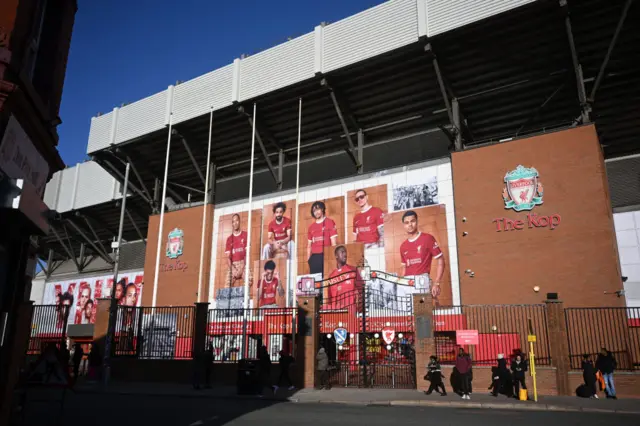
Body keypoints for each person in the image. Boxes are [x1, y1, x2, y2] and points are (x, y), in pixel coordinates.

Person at [399, 210, 445, 300]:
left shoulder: (428, 238)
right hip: (406, 284)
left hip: (422, 282)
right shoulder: (403, 246)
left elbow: (441, 260)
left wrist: (437, 283)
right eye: (406, 223)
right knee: (405, 313)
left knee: (422, 313)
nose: (410, 225)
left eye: (412, 221)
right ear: (404, 225)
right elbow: (404, 269)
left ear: (417, 222)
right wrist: (399, 282)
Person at [306, 201, 338, 275]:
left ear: (322, 209)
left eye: (318, 209)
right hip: (314, 258)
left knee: (327, 279)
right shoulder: (311, 227)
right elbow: (309, 245)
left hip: (326, 255)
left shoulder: (330, 222)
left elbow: (334, 243)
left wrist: (333, 258)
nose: (316, 212)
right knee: (316, 282)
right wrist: (309, 259)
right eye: (314, 211)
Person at [327, 245, 362, 310]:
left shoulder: (353, 270)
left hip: (350, 311)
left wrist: (360, 310)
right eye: (342, 252)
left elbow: (361, 290)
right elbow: (329, 298)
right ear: (336, 256)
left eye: (345, 252)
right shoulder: (331, 276)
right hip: (336, 313)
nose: (345, 254)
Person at [225, 214, 248, 287]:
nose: (235, 223)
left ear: (239, 221)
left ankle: (244, 297)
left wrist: (242, 267)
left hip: (243, 263)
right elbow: (228, 258)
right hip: (233, 265)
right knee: (227, 286)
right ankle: (232, 298)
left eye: (236, 220)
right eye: (233, 222)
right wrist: (233, 269)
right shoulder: (229, 239)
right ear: (232, 224)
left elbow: (247, 254)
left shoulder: (246, 235)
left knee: (249, 280)